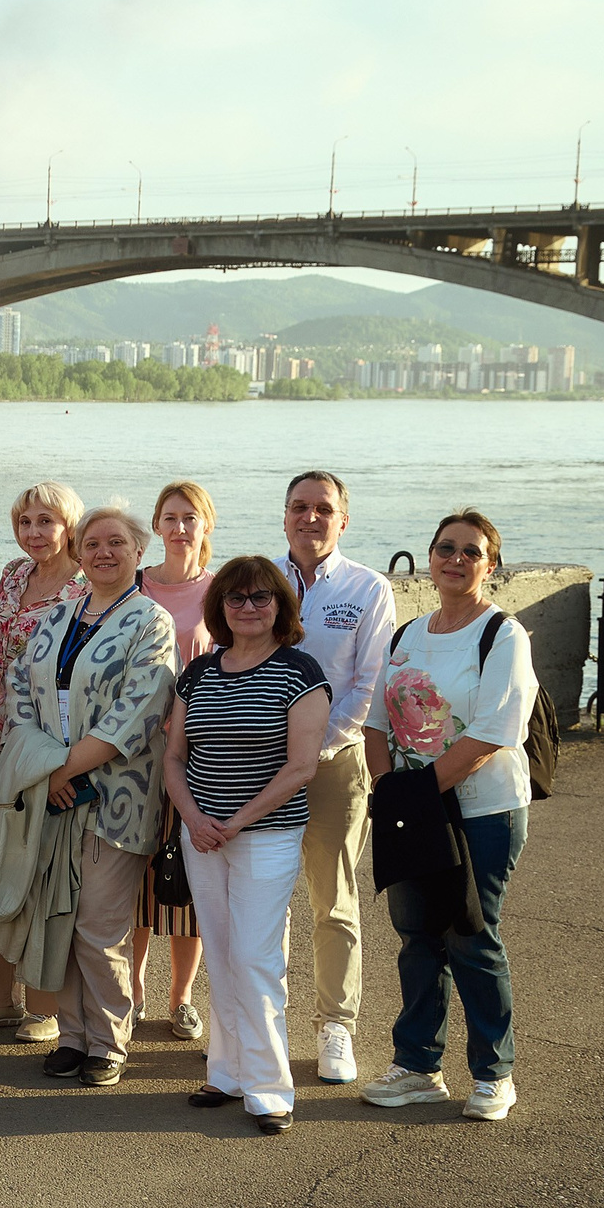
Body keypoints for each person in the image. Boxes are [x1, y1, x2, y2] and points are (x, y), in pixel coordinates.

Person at [361, 510, 538, 1122]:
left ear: (491, 565)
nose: (455, 559)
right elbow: (377, 722)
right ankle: (417, 1065)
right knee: (416, 937)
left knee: (471, 933)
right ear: (429, 558)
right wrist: (390, 787)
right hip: (413, 810)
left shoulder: (503, 636)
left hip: (481, 810)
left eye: (471, 551)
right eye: (445, 549)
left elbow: (494, 730)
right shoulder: (407, 635)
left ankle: (494, 1073)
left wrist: (415, 794)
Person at [5, 505, 177, 1087]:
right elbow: (18, 691)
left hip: (114, 797)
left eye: (117, 543)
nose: (104, 552)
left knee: (101, 927)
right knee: (62, 915)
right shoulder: (55, 618)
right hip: (54, 792)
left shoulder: (151, 622)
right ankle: (73, 1035)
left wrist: (59, 770)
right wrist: (48, 770)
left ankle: (109, 1040)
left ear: (139, 551)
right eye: (93, 543)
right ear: (78, 553)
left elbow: (140, 710)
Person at [163, 556, 329, 1135]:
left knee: (256, 959)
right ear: (220, 608)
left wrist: (233, 822)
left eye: (261, 597)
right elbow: (174, 757)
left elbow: (301, 766)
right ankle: (226, 1070)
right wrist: (193, 816)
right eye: (236, 598)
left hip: (266, 837)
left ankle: (268, 1088)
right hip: (201, 835)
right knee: (223, 950)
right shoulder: (199, 673)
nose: (249, 607)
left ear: (280, 605)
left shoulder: (299, 672)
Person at [0, 481, 86, 1040]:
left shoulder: (83, 588)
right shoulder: (10, 575)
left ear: (69, 526)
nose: (34, 532)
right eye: (26, 521)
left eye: (46, 521)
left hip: (36, 748)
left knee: (36, 871)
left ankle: (45, 1005)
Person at [280, 470, 396, 1085]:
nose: (311, 517)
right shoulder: (258, 580)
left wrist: (312, 750)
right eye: (300, 507)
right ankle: (261, 1022)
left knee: (334, 900)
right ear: (286, 516)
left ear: (342, 519)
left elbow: (368, 686)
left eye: (323, 508)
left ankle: (335, 1027)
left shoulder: (368, 589)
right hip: (260, 766)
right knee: (260, 899)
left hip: (335, 764)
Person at [131, 479, 217, 1042]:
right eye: (170, 517)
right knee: (134, 872)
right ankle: (132, 990)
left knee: (188, 873)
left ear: (205, 526)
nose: (179, 527)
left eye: (190, 517)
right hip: (132, 751)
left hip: (196, 751)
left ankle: (181, 997)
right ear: (156, 527)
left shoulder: (222, 591)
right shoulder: (133, 587)